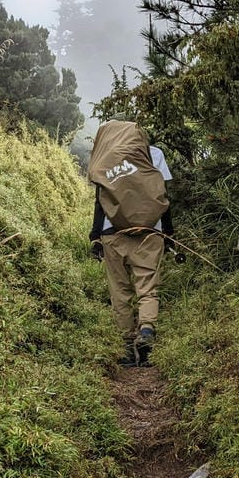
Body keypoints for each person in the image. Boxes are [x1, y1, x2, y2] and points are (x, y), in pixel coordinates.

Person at [87, 120, 175, 366]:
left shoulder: (104, 158)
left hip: (112, 232)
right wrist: (168, 233)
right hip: (150, 231)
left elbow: (100, 200)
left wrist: (95, 236)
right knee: (148, 287)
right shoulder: (153, 154)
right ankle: (146, 331)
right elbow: (162, 195)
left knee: (120, 291)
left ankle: (126, 349)